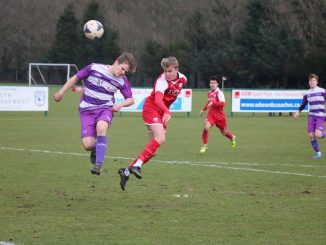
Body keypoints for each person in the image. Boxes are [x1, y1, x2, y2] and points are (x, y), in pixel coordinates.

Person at [54, 52, 137, 174]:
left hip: (105, 109)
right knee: (88, 145)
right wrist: (61, 92)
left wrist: (120, 105)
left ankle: (98, 165)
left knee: (101, 127)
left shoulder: (122, 80)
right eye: (122, 69)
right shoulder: (94, 67)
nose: (123, 72)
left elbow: (131, 99)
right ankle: (97, 149)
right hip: (86, 110)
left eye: (126, 71)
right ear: (116, 62)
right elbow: (76, 77)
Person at [118, 56, 187, 191]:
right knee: (161, 138)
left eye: (170, 71)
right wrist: (167, 111)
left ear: (177, 69)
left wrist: (165, 112)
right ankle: (137, 165)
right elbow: (158, 101)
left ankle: (125, 171)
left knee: (153, 152)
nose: (167, 74)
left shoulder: (183, 79)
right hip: (152, 109)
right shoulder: (162, 82)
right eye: (165, 71)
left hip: (161, 113)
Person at [199, 75, 236, 154]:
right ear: (209, 84)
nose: (212, 84)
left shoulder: (219, 93)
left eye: (214, 83)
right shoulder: (209, 93)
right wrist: (203, 110)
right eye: (211, 83)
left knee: (224, 132)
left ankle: (232, 138)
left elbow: (222, 104)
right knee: (206, 128)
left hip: (220, 116)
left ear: (217, 84)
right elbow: (209, 103)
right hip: (211, 115)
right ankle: (205, 145)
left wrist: (213, 103)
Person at [293, 73, 326, 158]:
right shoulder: (307, 93)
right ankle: (318, 153)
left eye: (313, 80)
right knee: (311, 135)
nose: (312, 82)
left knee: (318, 135)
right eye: (310, 81)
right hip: (311, 116)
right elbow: (303, 104)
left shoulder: (322, 91)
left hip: (320, 115)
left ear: (317, 82)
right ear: (309, 82)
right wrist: (298, 111)